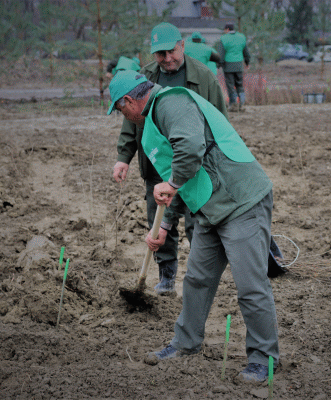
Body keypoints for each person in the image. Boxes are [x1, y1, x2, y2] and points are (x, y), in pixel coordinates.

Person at [108, 70, 279, 383]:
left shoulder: (171, 102)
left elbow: (189, 149)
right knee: (197, 279)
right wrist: (165, 226)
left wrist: (171, 183)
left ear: (131, 100)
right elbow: (174, 183)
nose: (124, 116)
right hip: (209, 207)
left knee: (250, 286)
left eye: (120, 109)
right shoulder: (150, 130)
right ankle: (185, 343)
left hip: (240, 199)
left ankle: (263, 360)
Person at [113, 22, 228, 295]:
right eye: (160, 54)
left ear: (183, 45)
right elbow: (132, 120)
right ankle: (166, 278)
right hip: (156, 162)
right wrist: (123, 157)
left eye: (171, 52)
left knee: (196, 221)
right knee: (159, 221)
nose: (166, 59)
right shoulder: (144, 76)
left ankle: (199, 280)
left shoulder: (204, 78)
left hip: (193, 167)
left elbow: (220, 122)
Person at [217, 23, 250, 112]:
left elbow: (221, 53)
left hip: (228, 66)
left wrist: (219, 65)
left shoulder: (224, 38)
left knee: (230, 85)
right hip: (239, 65)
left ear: (227, 29)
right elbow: (246, 51)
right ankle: (242, 104)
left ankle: (234, 104)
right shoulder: (241, 37)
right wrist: (247, 62)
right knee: (239, 84)